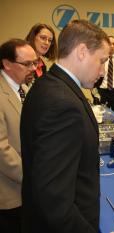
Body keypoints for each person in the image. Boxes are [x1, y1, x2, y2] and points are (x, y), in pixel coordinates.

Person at [20, 20, 110, 233]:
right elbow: (55, 201)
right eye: (102, 60)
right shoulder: (62, 104)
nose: (103, 71)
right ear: (82, 51)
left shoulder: (49, 85)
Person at [0, 39, 37, 233]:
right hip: (9, 190)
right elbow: (1, 150)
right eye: (27, 64)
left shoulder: (24, 88)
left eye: (35, 62)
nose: (33, 68)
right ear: (7, 64)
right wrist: (32, 176)